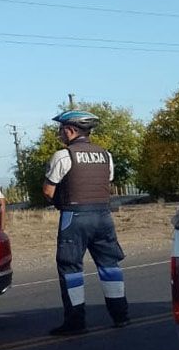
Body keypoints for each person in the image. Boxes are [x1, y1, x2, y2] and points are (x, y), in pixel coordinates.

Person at [43, 110, 129, 335]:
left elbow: (48, 190)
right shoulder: (105, 155)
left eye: (61, 130)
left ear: (70, 130)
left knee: (70, 268)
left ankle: (75, 322)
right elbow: (107, 182)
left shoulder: (63, 156)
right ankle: (121, 316)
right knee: (110, 265)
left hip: (74, 216)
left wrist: (62, 203)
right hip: (103, 216)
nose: (60, 134)